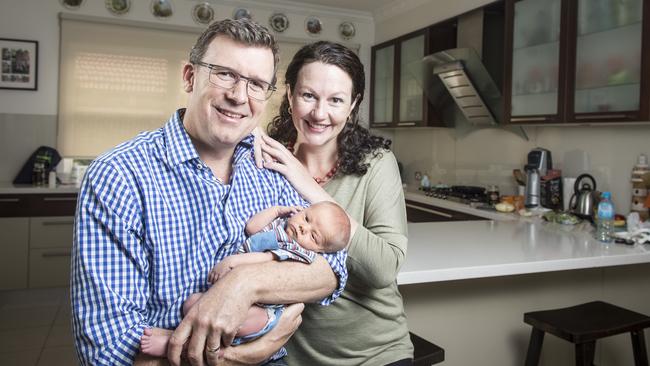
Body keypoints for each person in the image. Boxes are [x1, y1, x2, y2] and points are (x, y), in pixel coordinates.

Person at [71, 19, 348, 366]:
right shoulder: (119, 177)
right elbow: (108, 351)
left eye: (257, 84)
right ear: (190, 77)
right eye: (224, 74)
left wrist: (246, 283)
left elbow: (334, 265)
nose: (239, 96)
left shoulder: (273, 164)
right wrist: (246, 354)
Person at [257, 41, 414, 365]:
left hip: (375, 355)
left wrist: (310, 188)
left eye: (336, 100)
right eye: (308, 95)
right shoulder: (267, 160)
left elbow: (384, 269)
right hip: (288, 356)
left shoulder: (377, 164)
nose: (319, 113)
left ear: (353, 104)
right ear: (289, 95)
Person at [139, 202, 350, 360]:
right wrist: (276, 211)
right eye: (306, 218)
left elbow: (266, 259)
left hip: (263, 311)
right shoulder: (280, 226)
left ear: (321, 250)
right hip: (230, 297)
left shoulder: (300, 252)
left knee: (234, 324)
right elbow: (251, 228)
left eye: (314, 236)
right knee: (193, 304)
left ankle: (176, 346)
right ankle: (183, 336)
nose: (304, 228)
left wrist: (233, 261)